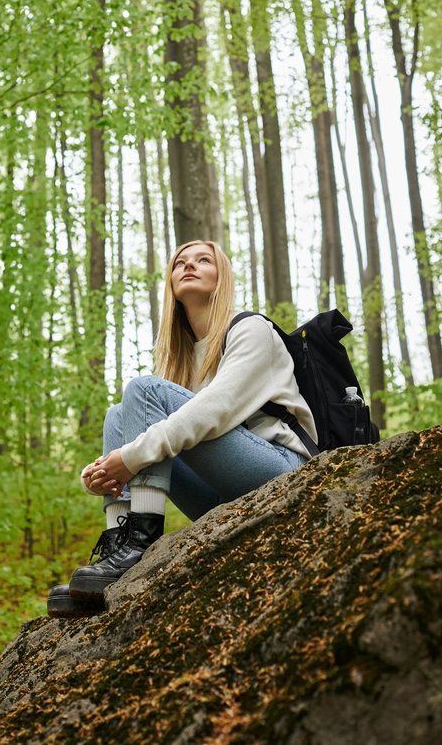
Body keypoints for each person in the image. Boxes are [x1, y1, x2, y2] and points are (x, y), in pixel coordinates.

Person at [47, 240, 316, 618]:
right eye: (180, 264)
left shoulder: (250, 329)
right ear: (171, 283)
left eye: (203, 261)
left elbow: (214, 412)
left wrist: (129, 458)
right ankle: (117, 552)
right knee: (118, 414)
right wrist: (100, 473)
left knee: (143, 390)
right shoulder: (184, 356)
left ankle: (140, 542)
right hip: (222, 491)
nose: (189, 266)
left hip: (279, 470)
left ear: (220, 276)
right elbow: (163, 429)